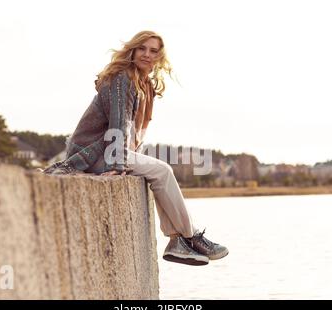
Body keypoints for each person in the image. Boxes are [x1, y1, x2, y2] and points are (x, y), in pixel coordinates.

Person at [44, 31, 228, 266]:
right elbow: (118, 125)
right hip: (95, 153)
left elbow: (133, 134)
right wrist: (116, 165)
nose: (147, 54)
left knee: (157, 172)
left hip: (112, 150)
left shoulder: (143, 84)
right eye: (142, 48)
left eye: (154, 51)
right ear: (132, 50)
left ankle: (177, 242)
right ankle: (191, 238)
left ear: (159, 57)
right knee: (163, 170)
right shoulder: (122, 79)